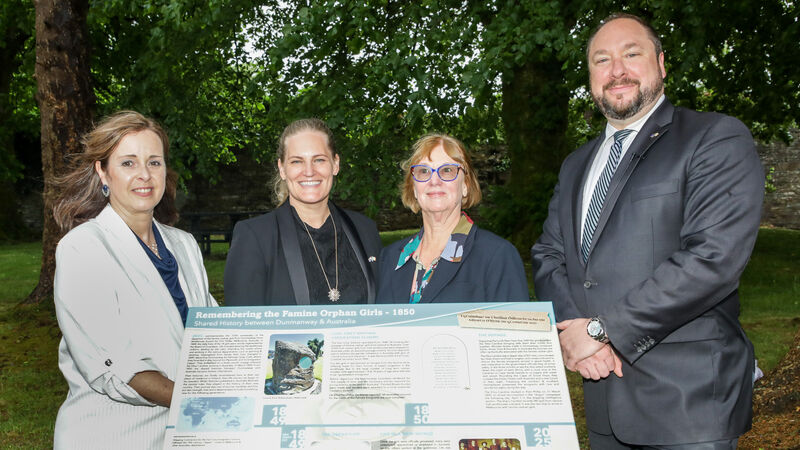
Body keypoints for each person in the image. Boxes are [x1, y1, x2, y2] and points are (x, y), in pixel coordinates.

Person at [531, 13, 763, 449]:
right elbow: (549, 253)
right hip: (602, 399)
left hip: (687, 404)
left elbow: (712, 259)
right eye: (602, 60)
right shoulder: (576, 163)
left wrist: (602, 331)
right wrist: (576, 333)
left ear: (661, 63)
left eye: (631, 54)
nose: (616, 69)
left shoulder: (713, 138)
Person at [52, 111, 217, 449]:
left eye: (154, 162)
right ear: (103, 171)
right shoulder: (83, 249)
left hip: (183, 435)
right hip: (112, 437)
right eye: (128, 163)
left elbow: (213, 330)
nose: (144, 175)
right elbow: (116, 367)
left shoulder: (183, 245)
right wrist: (204, 399)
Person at [225, 118, 382, 305]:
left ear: (336, 164)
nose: (309, 171)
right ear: (282, 169)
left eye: (319, 160)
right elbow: (244, 327)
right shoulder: (255, 236)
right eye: (297, 161)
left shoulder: (365, 229)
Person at [377, 134, 528, 303]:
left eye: (447, 170)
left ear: (465, 186)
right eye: (424, 171)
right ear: (414, 188)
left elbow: (514, 327)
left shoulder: (497, 256)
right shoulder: (390, 258)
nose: (434, 180)